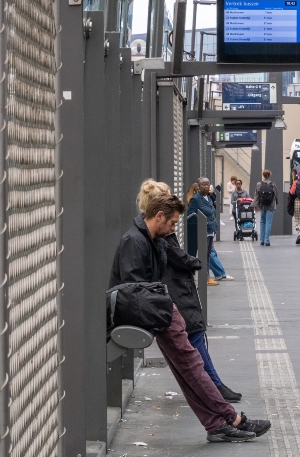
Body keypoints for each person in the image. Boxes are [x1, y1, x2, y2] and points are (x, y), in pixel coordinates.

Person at [110, 182, 268, 442]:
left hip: (158, 308)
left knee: (187, 371)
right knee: (193, 367)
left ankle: (216, 424)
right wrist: (165, 305)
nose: (174, 229)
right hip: (157, 310)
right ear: (159, 215)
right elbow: (133, 287)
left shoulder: (153, 238)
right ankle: (232, 418)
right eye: (172, 223)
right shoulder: (136, 241)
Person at [138, 181, 243, 403]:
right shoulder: (160, 234)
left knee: (192, 341)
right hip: (175, 293)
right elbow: (175, 255)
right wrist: (194, 262)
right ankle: (212, 387)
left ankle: (213, 386)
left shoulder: (154, 231)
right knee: (193, 340)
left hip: (174, 292)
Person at [185, 178, 234, 285]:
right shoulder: (196, 199)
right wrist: (201, 222)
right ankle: (205, 277)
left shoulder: (209, 197)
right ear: (198, 186)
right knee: (205, 254)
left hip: (211, 230)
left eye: (208, 184)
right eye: (203, 185)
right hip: (202, 231)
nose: (206, 187)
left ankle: (207, 276)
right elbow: (190, 215)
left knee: (207, 254)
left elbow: (212, 210)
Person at [253, 169, 279, 246]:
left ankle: (262, 240)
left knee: (262, 221)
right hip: (270, 205)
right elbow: (276, 195)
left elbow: (256, 195)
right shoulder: (273, 184)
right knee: (268, 222)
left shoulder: (259, 184)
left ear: (262, 175)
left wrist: (255, 205)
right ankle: (267, 240)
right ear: (269, 175)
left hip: (262, 205)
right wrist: (276, 203)